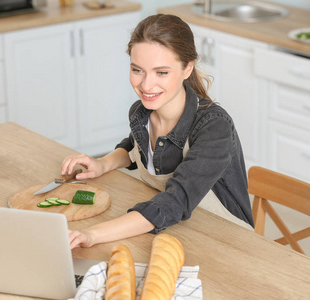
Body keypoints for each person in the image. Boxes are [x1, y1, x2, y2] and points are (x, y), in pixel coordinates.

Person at [62, 14, 254, 249]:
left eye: (161, 72)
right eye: (137, 70)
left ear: (187, 68)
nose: (146, 85)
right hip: (176, 232)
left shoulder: (213, 126)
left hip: (227, 241)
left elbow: (175, 201)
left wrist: (91, 235)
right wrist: (102, 163)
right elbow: (136, 146)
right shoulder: (141, 112)